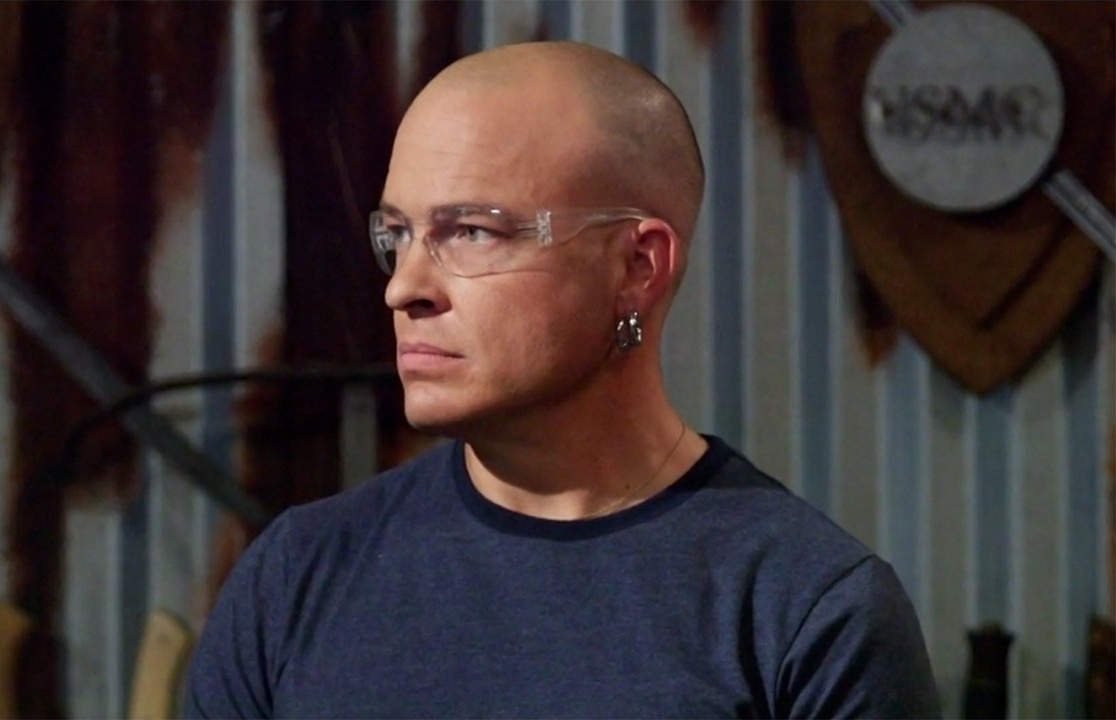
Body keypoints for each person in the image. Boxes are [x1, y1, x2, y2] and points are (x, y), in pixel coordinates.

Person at [185, 41, 940, 718]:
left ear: (637, 266)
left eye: (471, 232)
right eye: (399, 235)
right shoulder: (294, 580)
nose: (403, 288)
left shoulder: (807, 614)